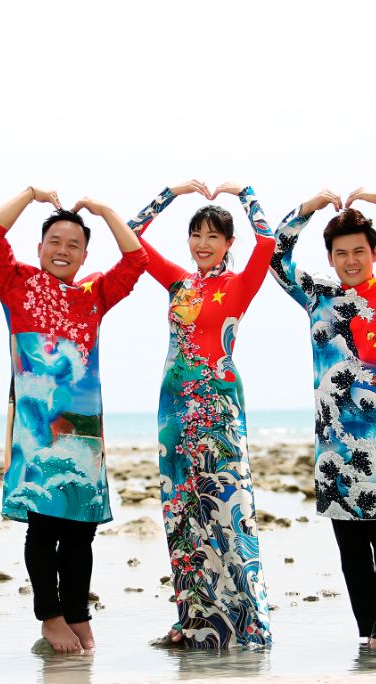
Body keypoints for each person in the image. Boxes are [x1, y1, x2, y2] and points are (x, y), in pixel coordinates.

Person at [268, 188, 376, 648]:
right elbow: (275, 255)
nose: (350, 260)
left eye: (359, 251)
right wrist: (305, 211)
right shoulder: (318, 296)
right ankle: (368, 639)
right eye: (341, 253)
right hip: (334, 443)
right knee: (350, 549)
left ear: (374, 253)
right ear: (330, 257)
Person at [0, 186, 148, 653]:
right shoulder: (17, 283)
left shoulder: (93, 295)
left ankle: (78, 614)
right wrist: (29, 195)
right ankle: (51, 617)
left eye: (74, 244)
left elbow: (136, 260)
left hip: (85, 429)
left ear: (85, 255)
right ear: (39, 248)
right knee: (44, 526)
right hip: (36, 428)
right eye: (54, 241)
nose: (63, 250)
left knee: (81, 530)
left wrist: (106, 210)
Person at [127, 180, 274, 649]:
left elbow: (267, 243)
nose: (203, 244)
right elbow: (131, 235)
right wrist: (167, 195)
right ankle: (194, 621)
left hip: (218, 406)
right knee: (182, 513)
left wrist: (246, 195)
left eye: (213, 236)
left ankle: (245, 621)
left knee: (229, 512)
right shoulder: (178, 283)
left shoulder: (238, 285)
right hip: (174, 408)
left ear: (229, 243)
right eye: (196, 234)